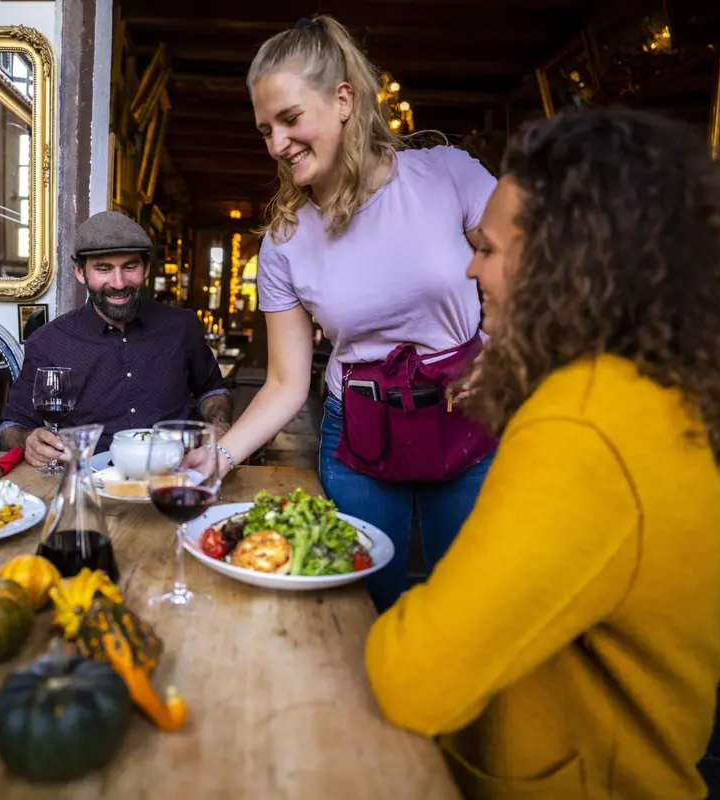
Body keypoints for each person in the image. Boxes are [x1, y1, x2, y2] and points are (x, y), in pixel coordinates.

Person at [365, 107, 720, 798]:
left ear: (561, 265)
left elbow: (412, 679)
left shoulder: (586, 421)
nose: (470, 266)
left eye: (487, 248)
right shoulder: (646, 386)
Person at [195, 15, 497, 612]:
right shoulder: (282, 242)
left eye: (289, 119)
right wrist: (221, 455)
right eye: (265, 130)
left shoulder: (448, 175)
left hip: (469, 416)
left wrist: (508, 350)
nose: (277, 145)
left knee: (470, 605)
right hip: (359, 435)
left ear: (342, 101)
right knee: (361, 609)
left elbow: (532, 269)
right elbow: (286, 383)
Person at [0, 211, 232, 465]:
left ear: (147, 268)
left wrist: (219, 426)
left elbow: (213, 390)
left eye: (130, 267)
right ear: (79, 271)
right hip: (88, 481)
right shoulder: (48, 341)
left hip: (175, 474)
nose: (119, 283)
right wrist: (28, 439)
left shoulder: (182, 326)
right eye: (103, 269)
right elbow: (9, 427)